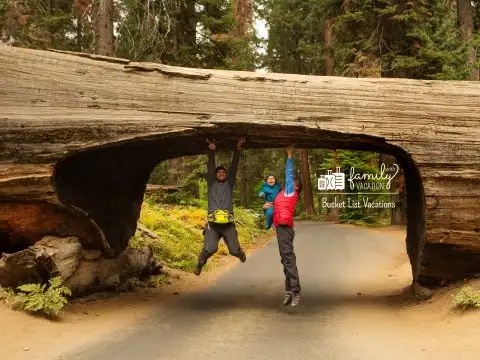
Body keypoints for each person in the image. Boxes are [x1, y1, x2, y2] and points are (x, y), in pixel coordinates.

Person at [194, 137, 247, 276]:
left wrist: (238, 149)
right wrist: (211, 151)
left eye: (224, 173)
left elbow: (234, 166)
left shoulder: (230, 184)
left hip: (228, 224)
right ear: (215, 175)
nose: (221, 174)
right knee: (210, 249)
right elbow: (210, 167)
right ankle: (200, 263)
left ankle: (240, 253)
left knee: (234, 251)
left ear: (226, 175)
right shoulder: (212, 183)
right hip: (213, 225)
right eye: (219, 173)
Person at [267, 145, 302, 306]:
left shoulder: (290, 192)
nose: (291, 183)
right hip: (281, 229)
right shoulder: (281, 195)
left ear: (295, 187)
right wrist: (268, 210)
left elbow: (288, 175)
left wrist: (289, 156)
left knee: (288, 259)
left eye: (294, 183)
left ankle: (295, 291)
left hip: (286, 229)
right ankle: (289, 290)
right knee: (285, 260)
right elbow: (276, 209)